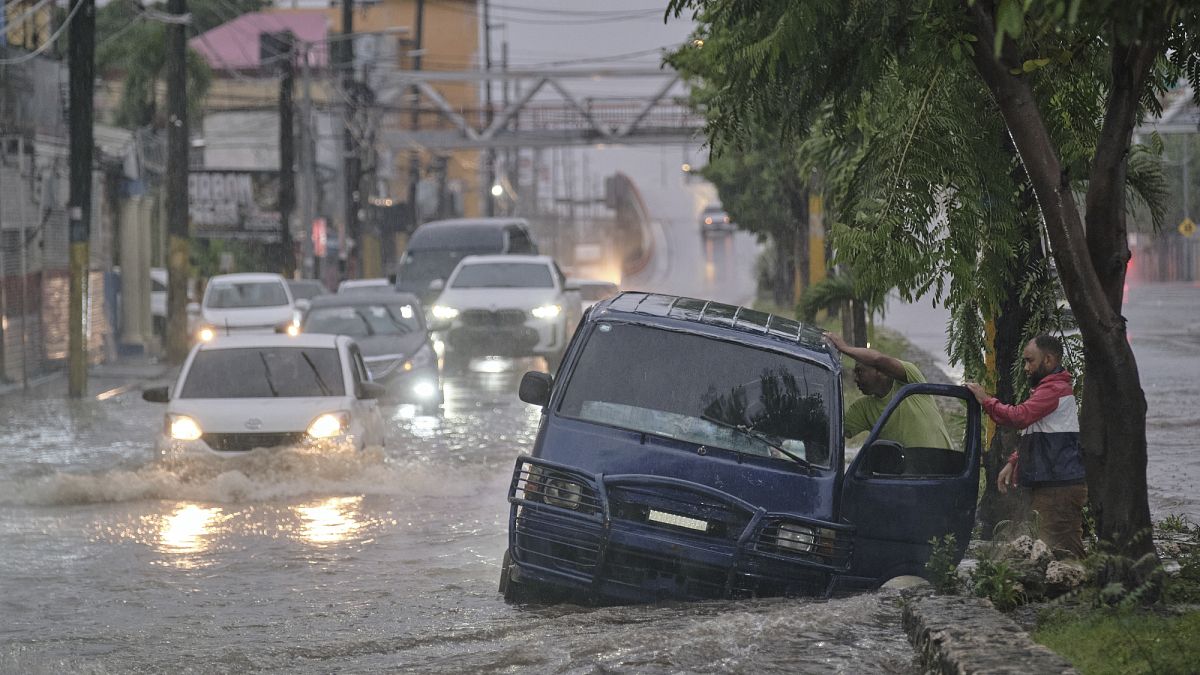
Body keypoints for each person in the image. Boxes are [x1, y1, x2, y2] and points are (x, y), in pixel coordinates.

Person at [965, 334, 1087, 558]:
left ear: (1049, 360)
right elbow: (1037, 432)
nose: (1025, 367)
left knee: (1065, 552)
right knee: (1054, 550)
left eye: (1030, 360)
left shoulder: (1054, 390)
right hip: (1052, 484)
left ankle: (1087, 589)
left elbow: (1019, 417)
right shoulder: (1048, 389)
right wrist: (1014, 462)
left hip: (1058, 487)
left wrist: (985, 400)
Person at [825, 332, 952, 450]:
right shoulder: (863, 408)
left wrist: (844, 348)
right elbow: (833, 431)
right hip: (909, 473)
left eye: (859, 371)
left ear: (880, 371)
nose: (855, 379)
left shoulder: (910, 380)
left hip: (945, 469)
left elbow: (878, 360)